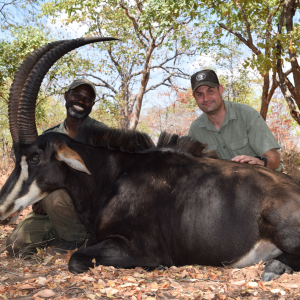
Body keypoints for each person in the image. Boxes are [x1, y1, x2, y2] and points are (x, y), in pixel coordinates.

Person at [6, 78, 108, 256]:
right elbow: (35, 176)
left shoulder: (103, 135)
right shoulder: (49, 137)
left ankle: (77, 241)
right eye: (76, 95)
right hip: (52, 212)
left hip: (88, 212)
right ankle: (65, 235)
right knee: (16, 246)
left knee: (54, 197)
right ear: (66, 96)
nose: (81, 101)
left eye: (87, 99)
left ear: (92, 104)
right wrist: (37, 200)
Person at [188, 69, 282, 171]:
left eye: (210, 91)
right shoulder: (195, 130)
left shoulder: (247, 115)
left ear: (220, 89)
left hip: (262, 181)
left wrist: (260, 162)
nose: (206, 98)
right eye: (200, 94)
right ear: (194, 97)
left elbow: (275, 159)